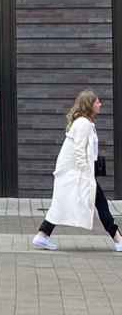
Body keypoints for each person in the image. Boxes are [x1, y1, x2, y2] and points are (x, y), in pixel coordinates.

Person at [33, 89, 122, 251]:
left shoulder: (84, 123)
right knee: (99, 203)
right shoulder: (83, 124)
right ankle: (118, 239)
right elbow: (79, 150)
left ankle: (42, 235)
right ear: (89, 105)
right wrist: (85, 173)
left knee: (61, 204)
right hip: (76, 173)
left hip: (75, 173)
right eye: (97, 102)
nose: (100, 104)